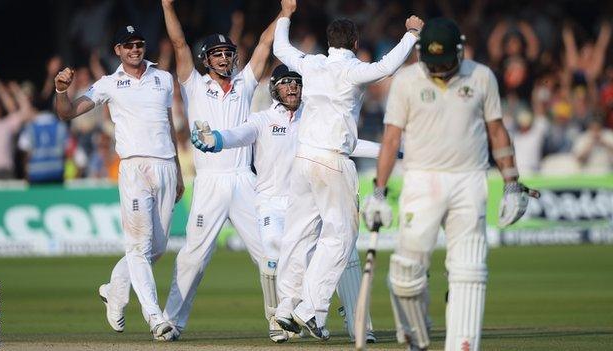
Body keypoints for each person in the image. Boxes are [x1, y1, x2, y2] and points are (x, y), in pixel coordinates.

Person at [362, 18, 538, 351]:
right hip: (420, 180)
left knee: (469, 271)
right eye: (433, 62)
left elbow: (498, 132)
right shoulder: (406, 81)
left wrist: (511, 183)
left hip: (469, 180)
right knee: (405, 273)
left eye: (446, 62)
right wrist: (379, 193)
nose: (440, 69)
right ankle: (418, 335)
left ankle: (462, 346)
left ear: (460, 50)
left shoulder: (481, 76)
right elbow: (390, 140)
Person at [191, 64, 387, 343]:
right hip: (272, 202)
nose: (292, 87)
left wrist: (393, 150)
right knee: (274, 249)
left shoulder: (314, 118)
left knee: (346, 254)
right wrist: (217, 139)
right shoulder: (262, 119)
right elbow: (238, 134)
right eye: (285, 82)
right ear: (274, 89)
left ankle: (356, 324)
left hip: (310, 202)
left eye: (297, 82)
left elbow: (349, 144)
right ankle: (279, 318)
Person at [270, 0, 424, 340]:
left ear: (329, 42)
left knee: (297, 236)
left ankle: (285, 308)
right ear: (354, 43)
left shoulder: (311, 65)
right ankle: (309, 310)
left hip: (303, 161)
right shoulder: (353, 70)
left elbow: (280, 46)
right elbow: (387, 67)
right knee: (339, 237)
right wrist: (411, 35)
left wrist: (286, 14)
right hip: (332, 162)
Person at [160, 0, 284, 341]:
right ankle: (171, 322)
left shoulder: (245, 84)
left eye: (228, 53)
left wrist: (285, 13)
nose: (225, 58)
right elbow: (179, 44)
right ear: (206, 59)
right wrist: (168, 7)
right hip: (210, 182)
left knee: (269, 254)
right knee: (193, 259)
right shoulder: (194, 85)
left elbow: (264, 45)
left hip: (245, 179)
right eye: (217, 54)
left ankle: (278, 321)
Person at [54, 25, 184, 340]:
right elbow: (68, 113)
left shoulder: (163, 78)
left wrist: (179, 171)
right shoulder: (109, 84)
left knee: (157, 248)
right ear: (118, 51)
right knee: (139, 247)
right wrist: (61, 90)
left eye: (139, 44)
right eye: (128, 46)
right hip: (134, 168)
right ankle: (155, 318)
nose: (135, 49)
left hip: (166, 165)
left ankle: (114, 289)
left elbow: (168, 126)